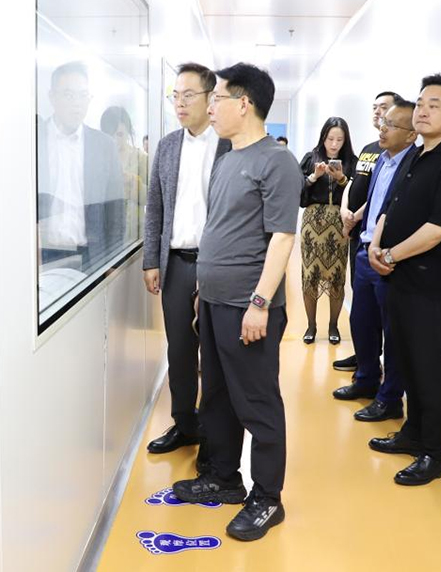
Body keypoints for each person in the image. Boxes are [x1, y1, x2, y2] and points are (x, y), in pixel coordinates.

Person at [172, 63, 302, 542]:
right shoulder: (228, 158)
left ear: (243, 104)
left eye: (217, 99)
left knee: (257, 401)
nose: (210, 107)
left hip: (249, 306)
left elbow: (282, 238)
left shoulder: (277, 162)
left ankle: (268, 498)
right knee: (218, 397)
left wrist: (260, 302)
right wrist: (203, 291)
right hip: (214, 301)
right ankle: (225, 478)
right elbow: (220, 228)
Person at [367, 74, 441, 486]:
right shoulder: (416, 155)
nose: (423, 111)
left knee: (428, 365)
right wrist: (375, 246)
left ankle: (434, 453)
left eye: (435, 105)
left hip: (431, 283)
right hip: (398, 277)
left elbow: (439, 228)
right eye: (420, 104)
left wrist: (391, 254)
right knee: (405, 359)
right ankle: (413, 432)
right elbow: (389, 208)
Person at [142, 63, 231, 457]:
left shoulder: (229, 145)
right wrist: (151, 260)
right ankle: (184, 423)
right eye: (175, 96)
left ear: (211, 98)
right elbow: (155, 208)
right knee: (179, 350)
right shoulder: (167, 147)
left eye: (188, 95)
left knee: (214, 352)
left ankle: (215, 433)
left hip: (218, 265)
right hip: (176, 263)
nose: (179, 103)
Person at [332, 100, 417, 425]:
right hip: (364, 249)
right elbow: (374, 202)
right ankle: (366, 379)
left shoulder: (414, 163)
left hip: (388, 257)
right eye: (382, 122)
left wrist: (382, 247)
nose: (382, 127)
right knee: (361, 321)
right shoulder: (381, 158)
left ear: (411, 135)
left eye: (391, 124)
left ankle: (390, 398)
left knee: (392, 331)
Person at [332, 90, 402, 370]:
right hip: (358, 235)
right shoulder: (371, 149)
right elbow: (354, 182)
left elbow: (382, 197)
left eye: (383, 108)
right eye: (375, 107)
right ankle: (364, 357)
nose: (377, 112)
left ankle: (373, 362)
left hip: (376, 238)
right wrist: (344, 210)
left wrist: (355, 216)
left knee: (378, 307)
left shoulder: (397, 155)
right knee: (361, 304)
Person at [37, 61, 124, 271]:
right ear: (52, 97)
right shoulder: (35, 140)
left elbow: (116, 210)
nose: (77, 103)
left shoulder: (104, 146)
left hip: (91, 255)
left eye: (83, 95)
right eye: (69, 95)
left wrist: (113, 261)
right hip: (43, 253)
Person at [297, 117, 356, 345]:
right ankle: (311, 325)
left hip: (339, 224)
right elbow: (298, 193)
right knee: (309, 275)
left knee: (337, 276)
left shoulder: (352, 162)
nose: (334, 144)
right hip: (312, 224)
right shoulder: (310, 158)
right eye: (330, 138)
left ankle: (333, 325)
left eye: (339, 140)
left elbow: (358, 193)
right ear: (323, 137)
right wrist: (314, 177)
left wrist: (341, 179)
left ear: (345, 140)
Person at [101, 106, 149, 244]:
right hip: (105, 230)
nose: (114, 139)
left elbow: (152, 198)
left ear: (128, 132)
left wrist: (134, 183)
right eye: (110, 134)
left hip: (133, 234)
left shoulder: (140, 158)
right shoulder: (98, 158)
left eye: (120, 134)